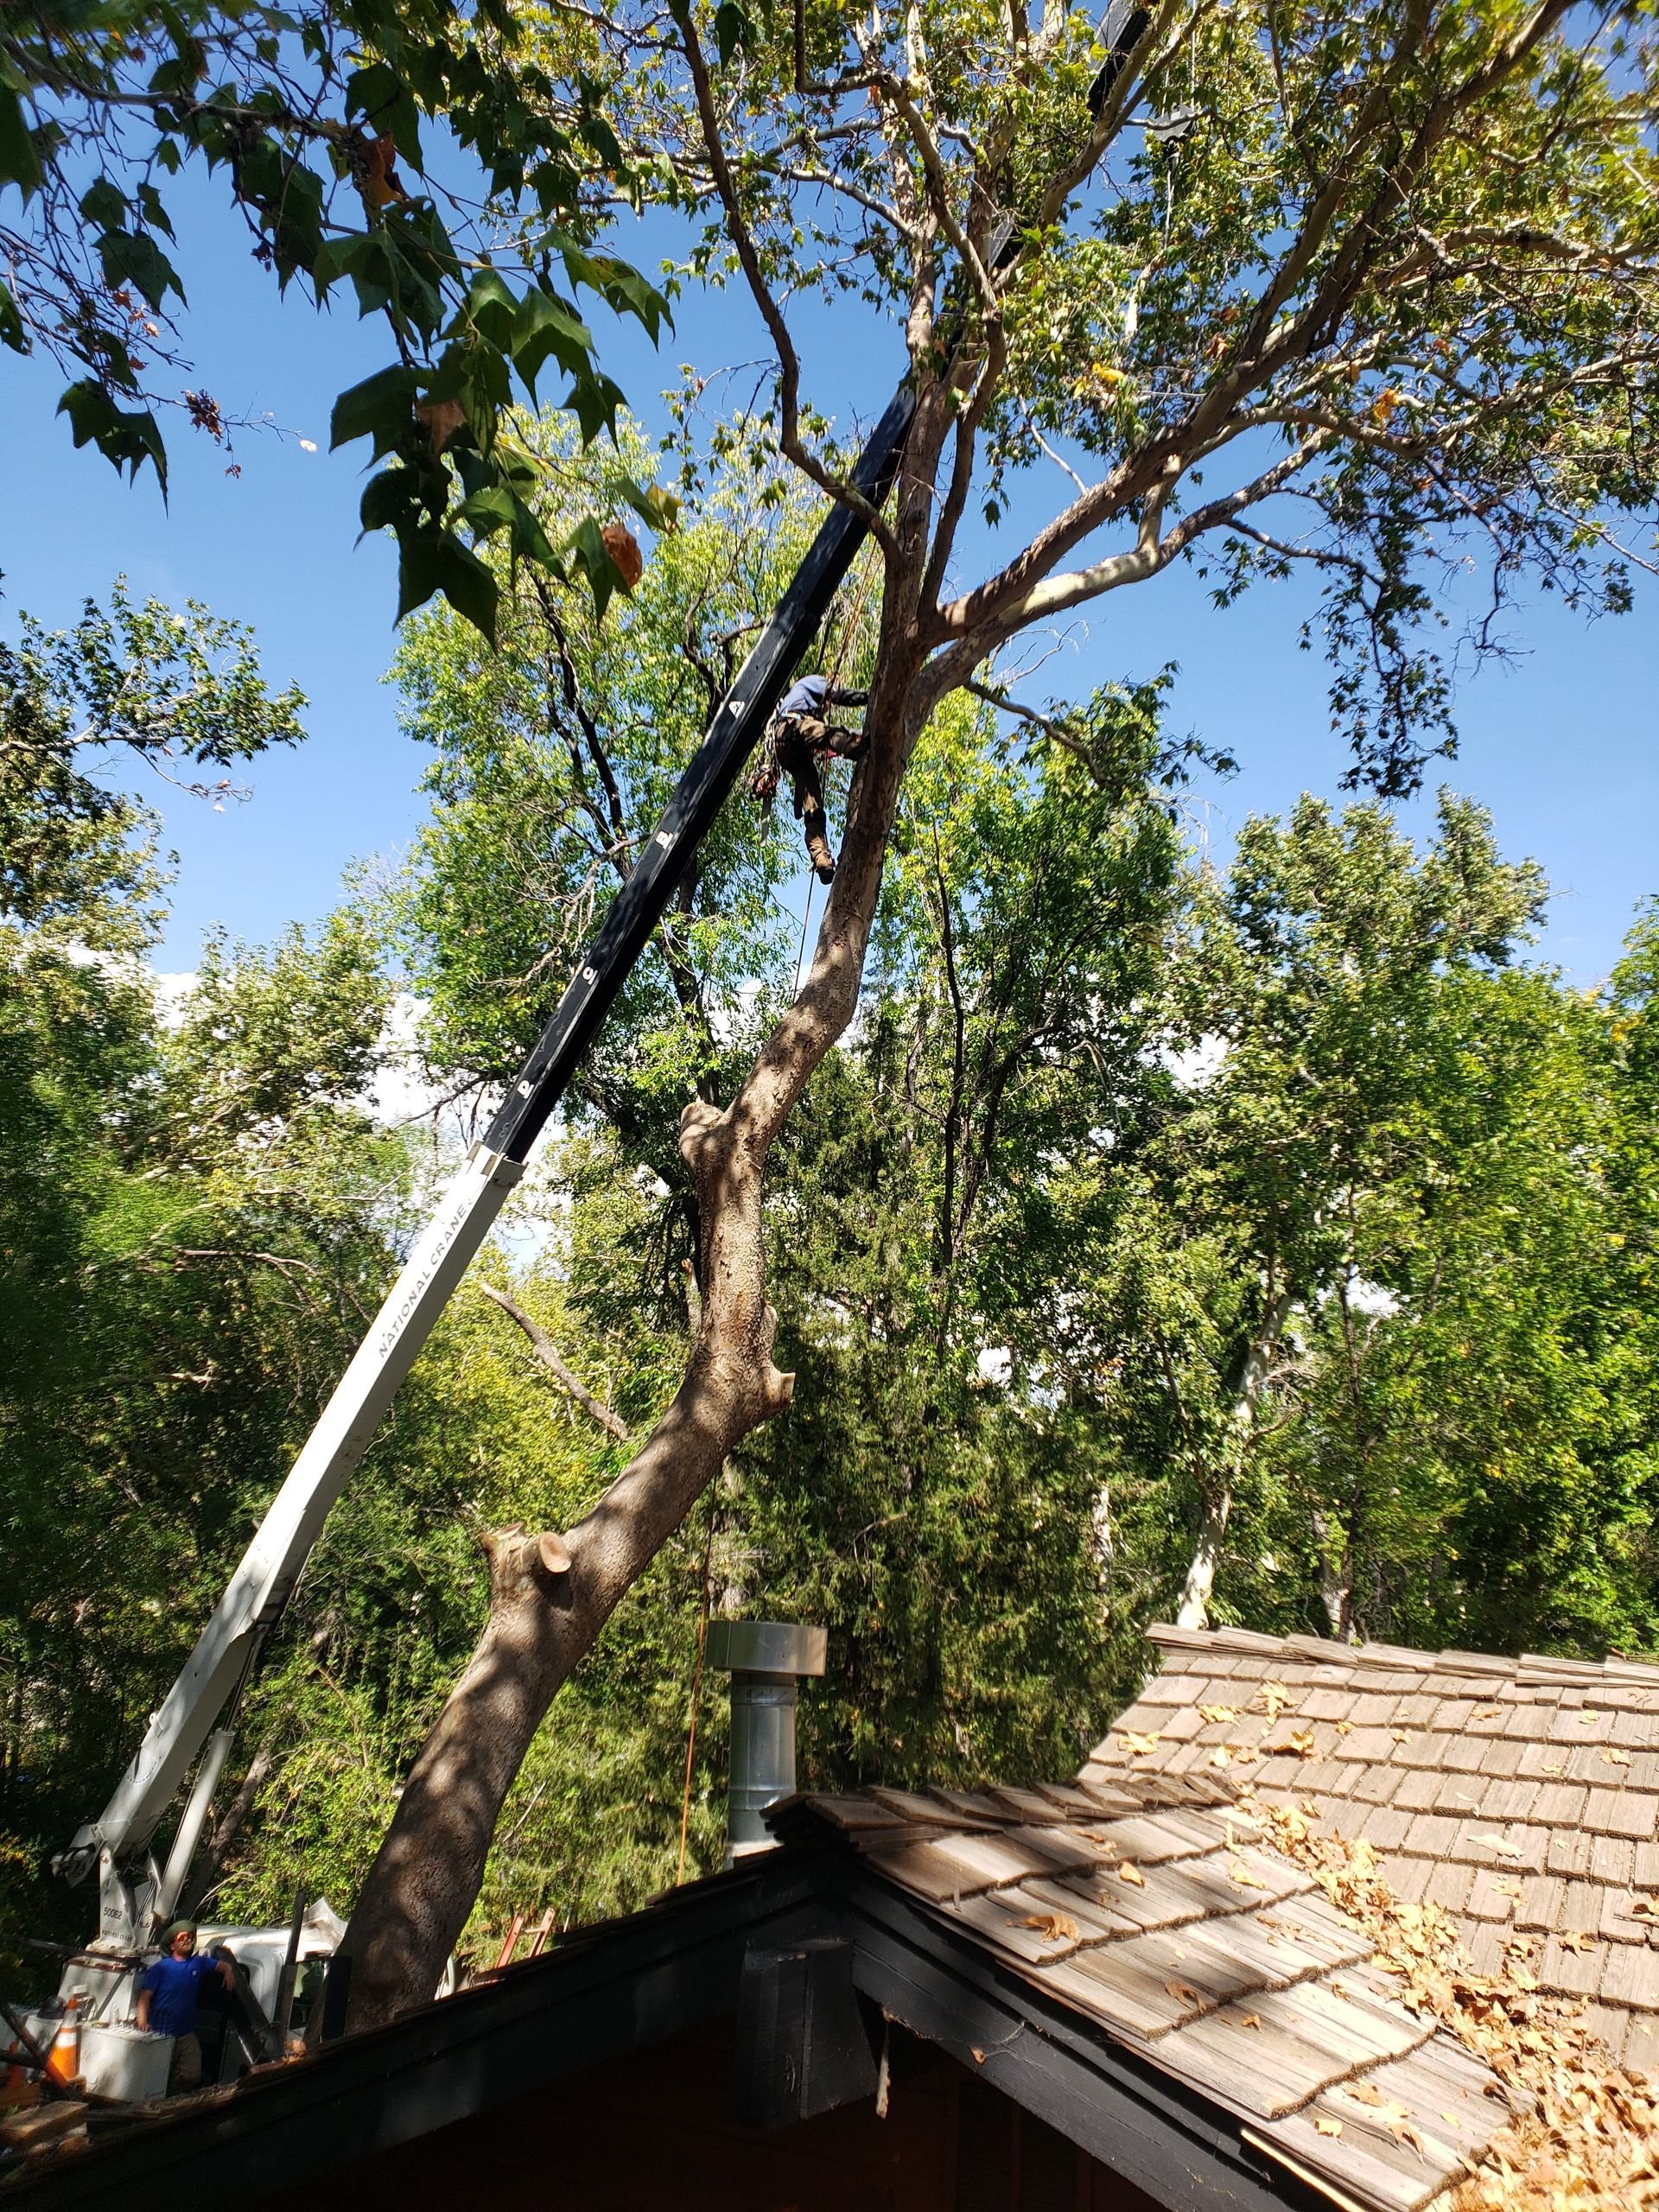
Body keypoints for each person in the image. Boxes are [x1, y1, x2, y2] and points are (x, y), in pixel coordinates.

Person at [756, 672, 870, 884]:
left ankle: (821, 860)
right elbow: (841, 696)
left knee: (813, 809)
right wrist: (869, 697)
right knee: (830, 734)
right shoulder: (815, 682)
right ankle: (857, 750)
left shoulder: (801, 701)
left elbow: (820, 739)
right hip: (792, 727)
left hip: (788, 751)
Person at [134, 1922, 236, 2094]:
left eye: (190, 1937)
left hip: (186, 2034)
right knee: (155, 2076)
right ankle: (160, 2098)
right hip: (161, 2033)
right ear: (173, 1945)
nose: (187, 1940)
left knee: (192, 2074)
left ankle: (171, 2096)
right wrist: (142, 2021)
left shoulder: (198, 1963)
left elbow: (222, 1966)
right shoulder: (161, 1968)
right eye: (182, 1938)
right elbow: (145, 1997)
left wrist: (229, 1972)